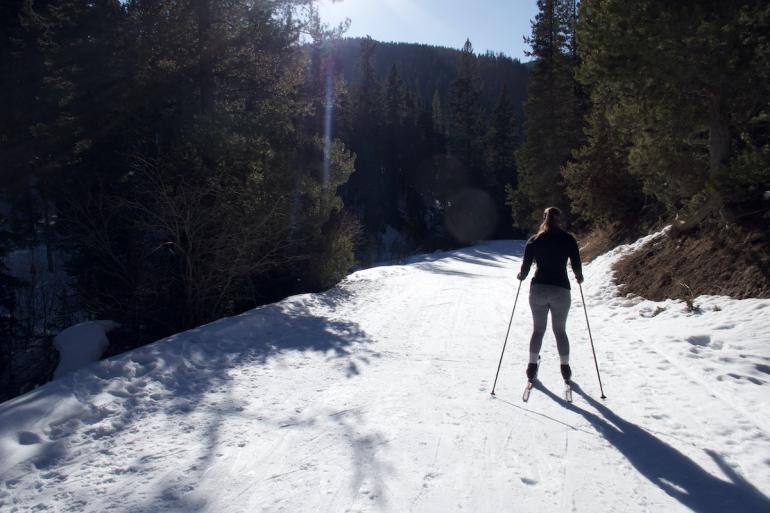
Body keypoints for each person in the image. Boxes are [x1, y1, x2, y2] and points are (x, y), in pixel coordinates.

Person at [516, 207, 583, 384]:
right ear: (559, 220)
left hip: (538, 289)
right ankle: (565, 368)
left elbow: (526, 267)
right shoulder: (568, 239)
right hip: (561, 289)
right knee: (560, 331)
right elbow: (576, 262)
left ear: (544, 219)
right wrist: (578, 276)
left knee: (538, 330)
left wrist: (522, 275)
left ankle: (531, 366)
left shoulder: (535, 240)